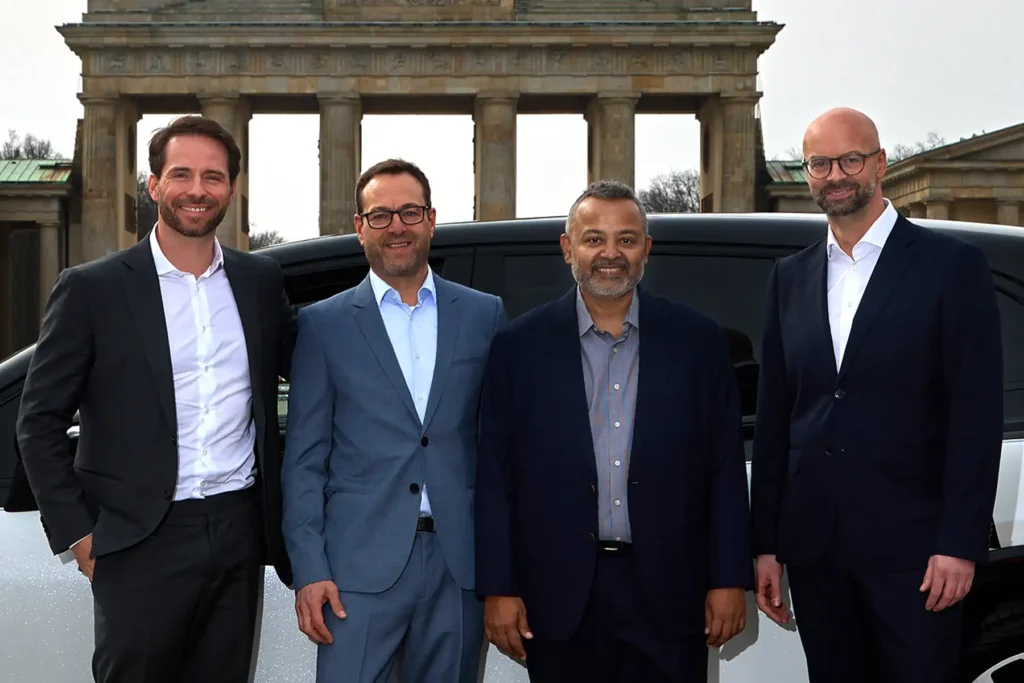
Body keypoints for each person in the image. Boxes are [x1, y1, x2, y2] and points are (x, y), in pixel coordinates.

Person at [15, 115, 298, 682]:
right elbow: (38, 420)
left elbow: (316, 374)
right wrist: (80, 534)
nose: (198, 190)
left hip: (238, 530)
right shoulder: (92, 289)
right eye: (182, 174)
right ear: (154, 184)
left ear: (232, 190)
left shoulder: (260, 283)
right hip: (137, 537)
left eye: (213, 177)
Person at [750, 107, 1004, 683]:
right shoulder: (789, 277)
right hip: (817, 553)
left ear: (880, 163)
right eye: (820, 163)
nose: (836, 174)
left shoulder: (951, 267)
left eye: (851, 159)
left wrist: (958, 544)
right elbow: (775, 418)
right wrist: (766, 543)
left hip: (918, 555)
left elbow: (975, 416)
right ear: (807, 172)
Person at [474, 179, 753, 683]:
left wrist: (729, 578)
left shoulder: (699, 343)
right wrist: (499, 587)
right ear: (568, 248)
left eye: (626, 239)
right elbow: (495, 476)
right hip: (558, 596)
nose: (610, 253)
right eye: (593, 238)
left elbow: (725, 471)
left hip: (671, 590)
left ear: (646, 249)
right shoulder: (518, 347)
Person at [281, 158, 506, 683]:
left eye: (409, 212)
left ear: (431, 219)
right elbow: (305, 463)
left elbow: (502, 451)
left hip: (459, 568)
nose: (397, 226)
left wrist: (505, 568)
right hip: (355, 572)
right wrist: (310, 569)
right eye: (380, 215)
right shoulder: (323, 324)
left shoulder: (483, 314)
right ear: (360, 228)